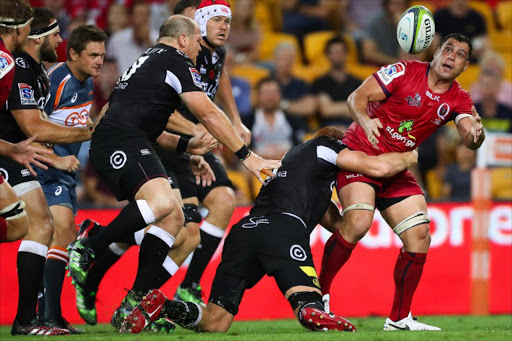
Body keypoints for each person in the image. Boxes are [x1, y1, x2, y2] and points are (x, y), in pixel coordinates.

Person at [66, 14, 279, 332]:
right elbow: (207, 111)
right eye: (195, 41)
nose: (198, 48)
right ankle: (89, 243)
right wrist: (247, 157)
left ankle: (135, 301)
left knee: (174, 218)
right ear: (182, 39)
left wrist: (188, 151)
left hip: (125, 141)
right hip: (121, 141)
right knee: (163, 203)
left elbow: (149, 124)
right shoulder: (176, 60)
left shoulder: (149, 59)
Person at [119, 126, 419, 334]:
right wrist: (408, 156)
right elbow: (375, 168)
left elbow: (337, 224)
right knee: (308, 307)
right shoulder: (327, 146)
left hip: (246, 229)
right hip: (283, 228)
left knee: (216, 320)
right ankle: (313, 307)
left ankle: (164, 305)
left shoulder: (295, 162)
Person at [318, 33, 485, 331]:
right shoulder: (405, 70)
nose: (451, 57)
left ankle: (398, 318)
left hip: (395, 169)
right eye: (447, 49)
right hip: (361, 155)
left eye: (460, 54)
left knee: (420, 235)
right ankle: (320, 296)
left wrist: (476, 135)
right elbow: (356, 97)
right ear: (434, 53)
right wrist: (365, 120)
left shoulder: (459, 98)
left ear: (465, 65)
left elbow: (468, 131)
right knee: (357, 223)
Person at [0, 7, 93, 335]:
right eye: (55, 34)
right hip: (7, 154)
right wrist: (86, 132)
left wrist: (51, 159)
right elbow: (33, 125)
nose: (60, 40)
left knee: (39, 224)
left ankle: (29, 319)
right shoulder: (20, 66)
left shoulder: (35, 71)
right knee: (40, 224)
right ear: (33, 35)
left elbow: (29, 132)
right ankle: (29, 319)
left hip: (17, 154)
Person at [164, 0, 253, 306]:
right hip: (169, 139)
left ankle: (189, 284)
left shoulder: (216, 53)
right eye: (215, 20)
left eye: (226, 22)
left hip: (197, 138)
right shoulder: (179, 54)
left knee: (225, 200)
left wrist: (236, 120)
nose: (223, 27)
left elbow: (220, 76)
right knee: (174, 227)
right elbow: (162, 108)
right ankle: (101, 242)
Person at [34, 25, 107, 333]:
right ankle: (47, 315)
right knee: (62, 231)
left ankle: (51, 314)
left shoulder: (86, 84)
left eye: (103, 55)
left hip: (65, 174)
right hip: (44, 171)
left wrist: (93, 124)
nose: (99, 61)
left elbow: (71, 121)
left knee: (60, 239)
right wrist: (56, 158)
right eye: (93, 55)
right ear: (73, 54)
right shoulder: (55, 82)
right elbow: (31, 129)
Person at [243, 77, 303, 160]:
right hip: (257, 164)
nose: (270, 97)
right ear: (258, 96)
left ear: (280, 95)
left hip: (288, 164)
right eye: (266, 93)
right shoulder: (247, 121)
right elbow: (243, 150)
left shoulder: (293, 119)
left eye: (273, 93)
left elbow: (299, 148)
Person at [312, 35, 362, 129]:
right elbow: (326, 110)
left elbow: (362, 110)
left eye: (341, 52)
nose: (338, 55)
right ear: (328, 55)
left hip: (353, 128)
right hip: (328, 129)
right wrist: (350, 107)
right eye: (334, 52)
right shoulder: (320, 83)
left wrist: (334, 107)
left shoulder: (357, 82)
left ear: (347, 54)